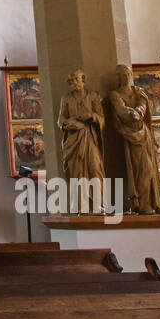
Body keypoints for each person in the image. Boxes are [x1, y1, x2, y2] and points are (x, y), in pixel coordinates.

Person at [109, 65, 160, 215]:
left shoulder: (138, 92)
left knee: (151, 168)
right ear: (117, 78)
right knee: (141, 169)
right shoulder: (114, 94)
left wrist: (138, 111)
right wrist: (132, 112)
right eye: (121, 75)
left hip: (143, 133)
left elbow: (143, 106)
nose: (125, 77)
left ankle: (155, 202)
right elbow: (121, 111)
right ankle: (142, 203)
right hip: (130, 135)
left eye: (127, 74)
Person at [57, 69, 105, 212]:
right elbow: (60, 120)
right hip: (74, 139)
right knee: (77, 172)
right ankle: (81, 206)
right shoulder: (66, 99)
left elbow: (101, 117)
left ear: (83, 80)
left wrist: (91, 116)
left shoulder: (93, 96)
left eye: (77, 79)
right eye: (72, 81)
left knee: (95, 167)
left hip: (89, 137)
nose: (74, 83)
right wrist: (71, 123)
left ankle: (97, 204)